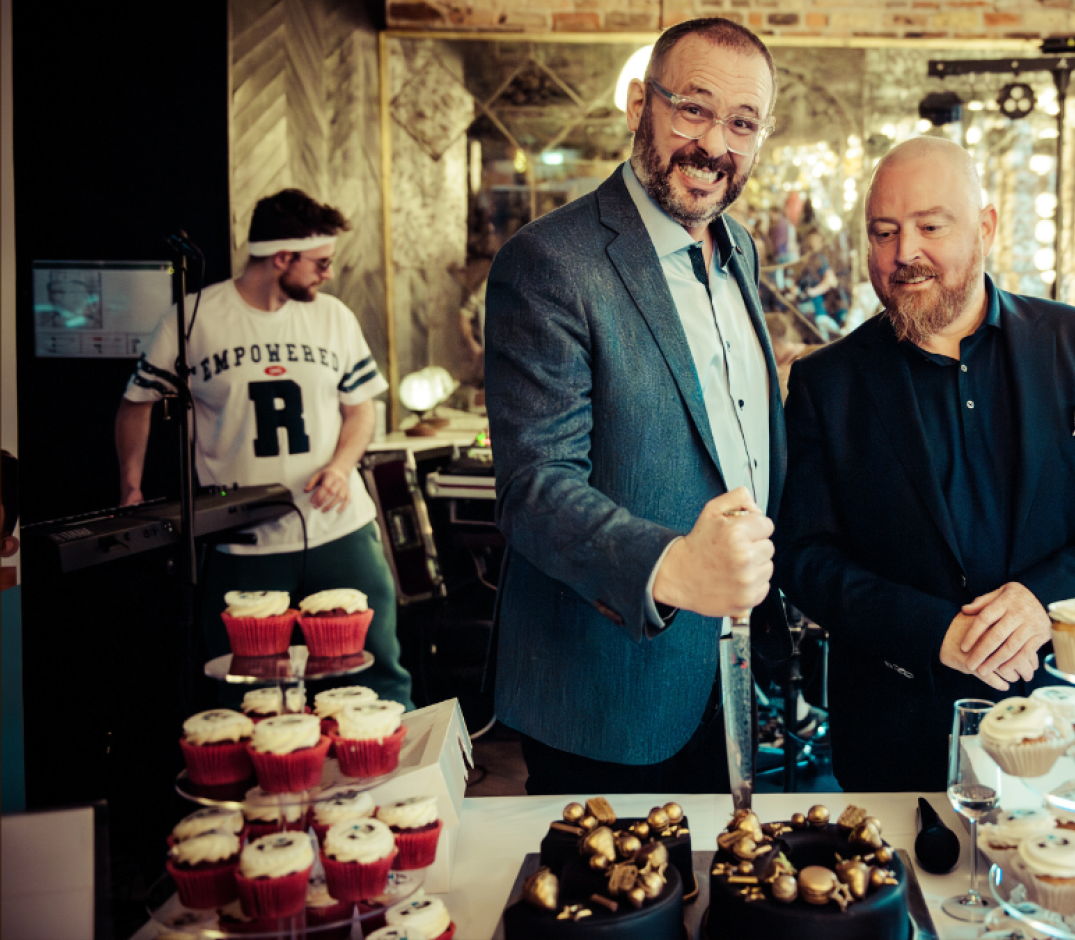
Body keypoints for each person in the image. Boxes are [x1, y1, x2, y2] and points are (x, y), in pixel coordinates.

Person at [776, 137, 1075, 792]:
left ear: (986, 227)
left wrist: (1044, 599)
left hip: (1068, 712)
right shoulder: (827, 381)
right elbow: (803, 556)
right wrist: (933, 631)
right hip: (899, 729)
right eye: (884, 232)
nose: (904, 252)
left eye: (930, 226)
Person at [484, 18, 789, 795]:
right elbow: (534, 489)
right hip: (609, 686)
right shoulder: (549, 261)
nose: (714, 144)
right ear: (637, 104)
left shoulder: (741, 248)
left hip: (728, 668)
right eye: (693, 108)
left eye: (742, 123)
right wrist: (672, 566)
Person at [116, 189, 413, 710]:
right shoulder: (196, 317)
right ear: (282, 258)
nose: (327, 274)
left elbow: (361, 409)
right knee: (249, 689)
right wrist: (131, 486)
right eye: (320, 263)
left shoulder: (334, 317)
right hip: (244, 542)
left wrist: (341, 466)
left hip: (338, 528)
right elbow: (137, 402)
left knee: (374, 671)